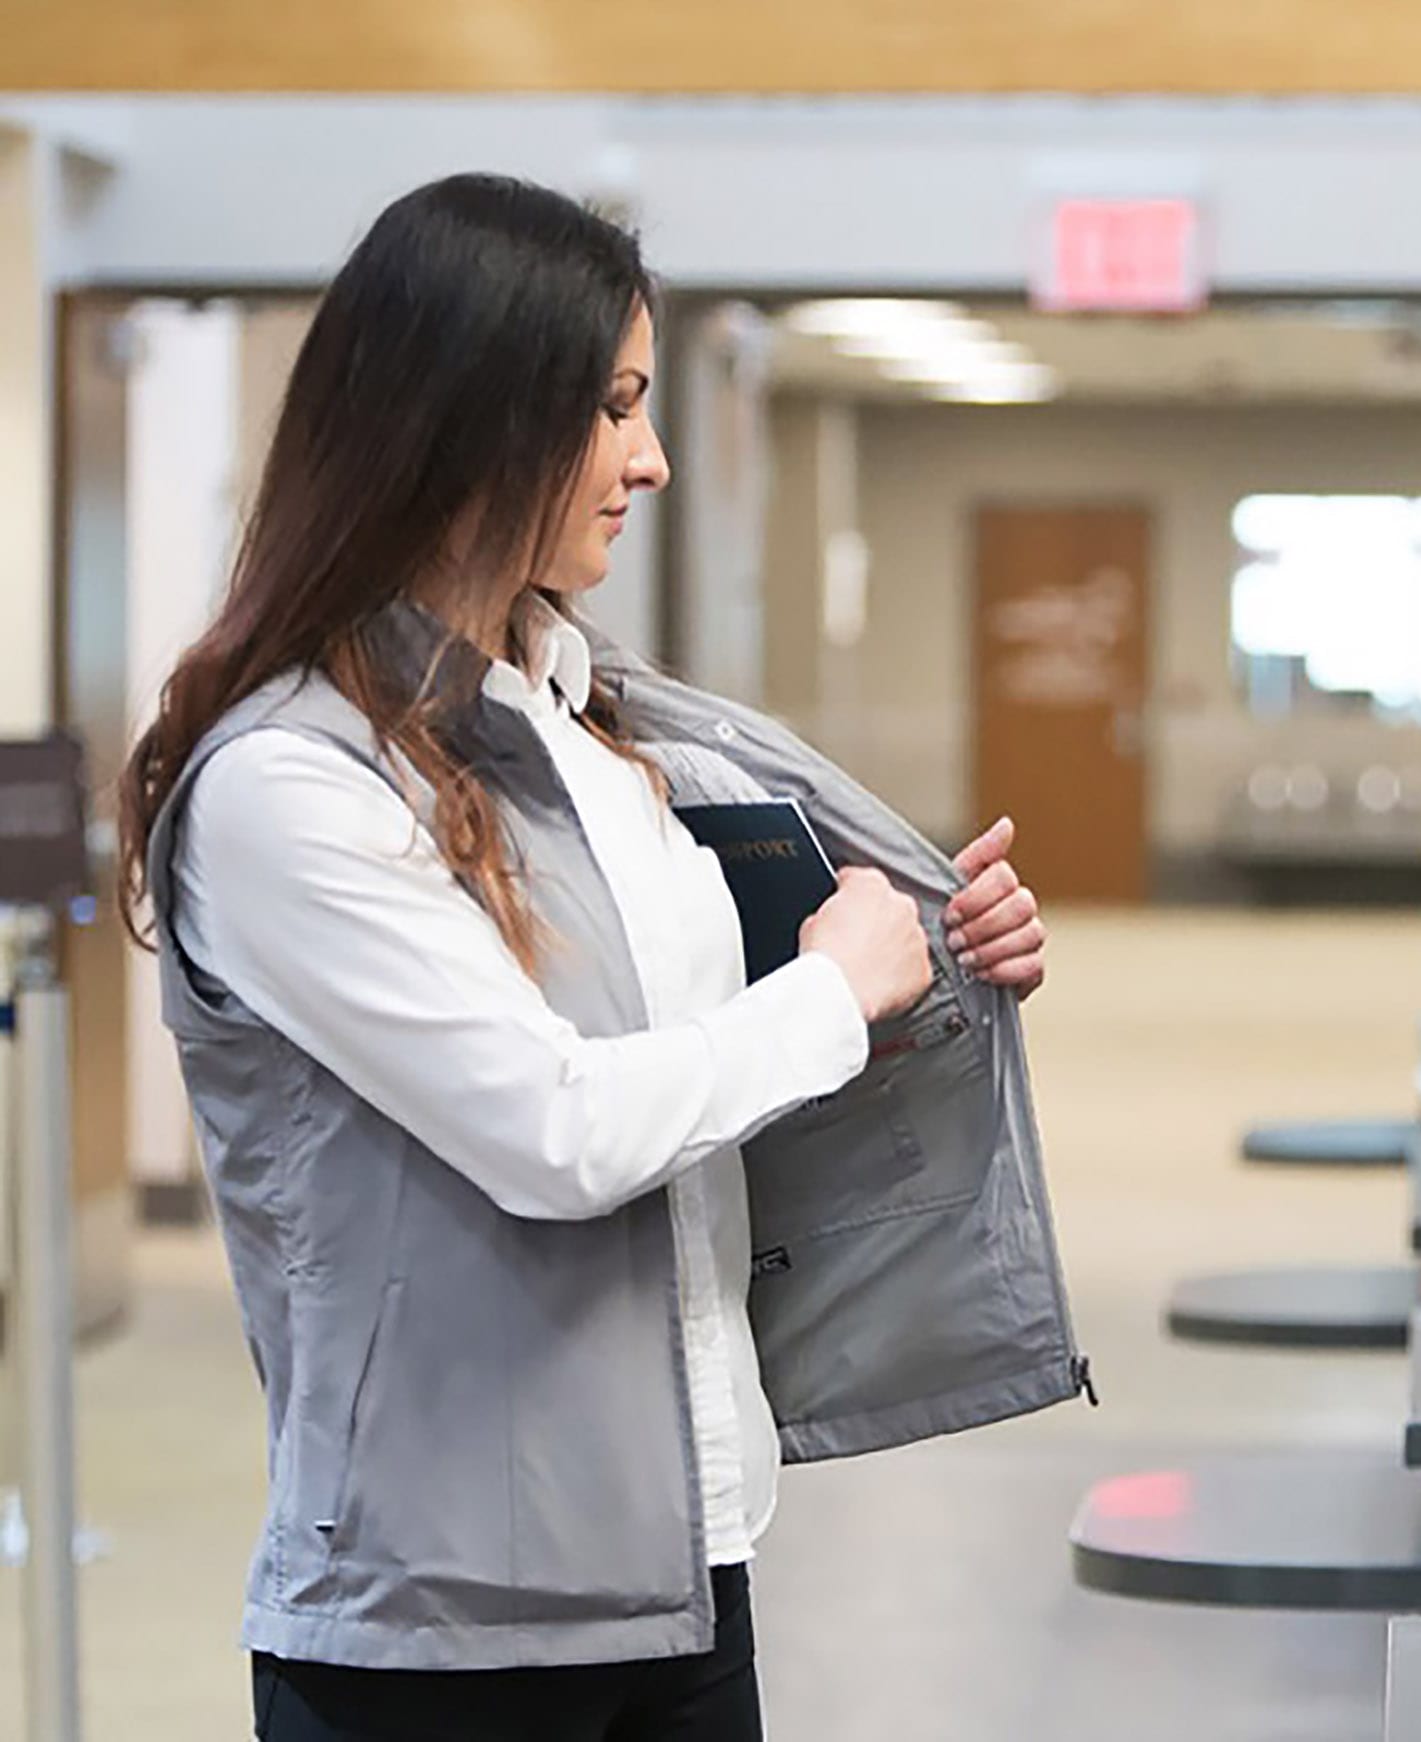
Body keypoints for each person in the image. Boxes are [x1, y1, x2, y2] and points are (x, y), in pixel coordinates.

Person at [118, 176, 1076, 1740]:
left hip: (684, 1554)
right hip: (433, 1635)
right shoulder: (290, 786)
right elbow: (559, 1127)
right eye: (616, 405)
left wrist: (927, 969)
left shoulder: (589, 722)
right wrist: (834, 988)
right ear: (471, 417)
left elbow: (702, 1062)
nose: (655, 457)